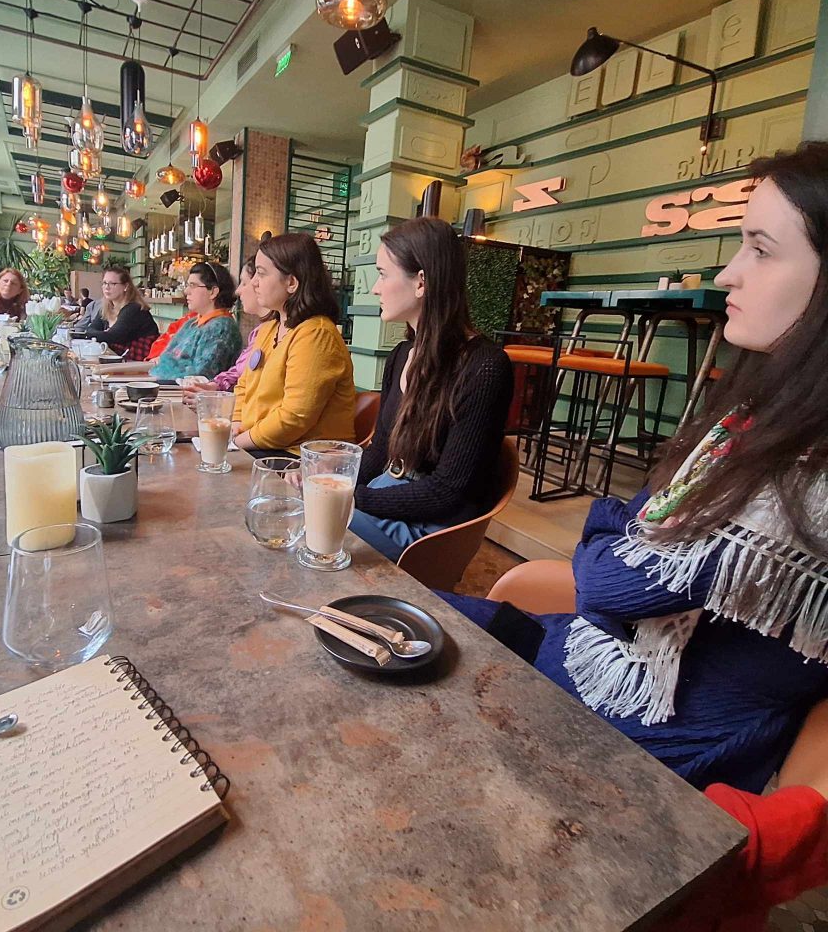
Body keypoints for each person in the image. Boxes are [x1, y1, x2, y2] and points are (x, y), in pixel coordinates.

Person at [438, 143, 828, 794]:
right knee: (375, 620)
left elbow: (609, 582)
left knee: (391, 640)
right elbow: (628, 538)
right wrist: (621, 530)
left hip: (637, 742)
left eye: (760, 249)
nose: (727, 275)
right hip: (594, 659)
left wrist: (614, 528)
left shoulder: (807, 475)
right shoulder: (755, 422)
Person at [348, 217, 514, 563]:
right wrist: (330, 481)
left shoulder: (485, 366)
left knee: (318, 518)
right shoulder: (401, 355)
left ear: (421, 282)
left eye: (383, 275)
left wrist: (350, 499)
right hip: (390, 498)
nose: (375, 289)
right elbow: (380, 451)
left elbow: (448, 492)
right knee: (306, 507)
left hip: (431, 527)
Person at [232, 233, 355, 455]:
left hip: (302, 456)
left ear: (291, 282)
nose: (254, 283)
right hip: (262, 444)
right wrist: (236, 425)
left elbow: (295, 417)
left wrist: (237, 443)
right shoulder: (270, 328)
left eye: (261, 273)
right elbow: (244, 386)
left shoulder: (316, 334)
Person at [182, 256, 266, 404]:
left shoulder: (222, 328)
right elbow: (239, 374)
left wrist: (219, 400)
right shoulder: (261, 331)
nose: (238, 291)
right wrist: (216, 386)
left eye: (244, 283)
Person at [149, 263, 242, 380]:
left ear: (213, 292)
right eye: (188, 285)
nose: (186, 291)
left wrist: (162, 367)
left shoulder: (222, 329)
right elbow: (166, 357)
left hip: (183, 390)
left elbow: (200, 375)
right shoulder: (192, 323)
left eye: (193, 285)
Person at [82, 265, 159, 360]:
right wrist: (101, 334)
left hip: (140, 363)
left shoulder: (134, 308)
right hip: (120, 361)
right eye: (104, 283)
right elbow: (90, 329)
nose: (107, 287)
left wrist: (101, 334)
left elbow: (114, 336)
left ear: (125, 286)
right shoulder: (106, 308)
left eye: (112, 284)